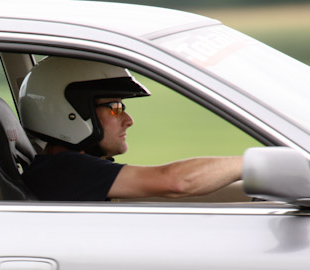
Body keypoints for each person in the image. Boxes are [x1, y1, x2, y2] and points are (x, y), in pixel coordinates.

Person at [18, 57, 243, 201]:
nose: (129, 120)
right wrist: (251, 164)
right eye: (115, 108)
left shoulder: (57, 170)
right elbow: (176, 181)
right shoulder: (66, 171)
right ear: (72, 111)